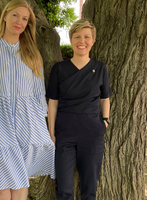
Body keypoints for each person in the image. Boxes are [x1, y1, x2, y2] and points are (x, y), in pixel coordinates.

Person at [0, 1, 55, 199]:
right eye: (16, 15)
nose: (20, 21)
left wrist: (40, 122)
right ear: (5, 16)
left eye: (25, 18)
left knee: (20, 179)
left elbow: (37, 92)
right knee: (1, 184)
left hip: (28, 121)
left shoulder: (32, 53)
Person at [47, 19, 112, 200]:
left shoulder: (100, 68)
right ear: (71, 39)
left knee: (89, 187)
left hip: (92, 133)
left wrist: (105, 121)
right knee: (64, 188)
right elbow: (53, 102)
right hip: (64, 133)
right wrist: (51, 131)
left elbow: (105, 98)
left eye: (86, 37)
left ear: (93, 41)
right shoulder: (59, 69)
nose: (81, 41)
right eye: (77, 36)